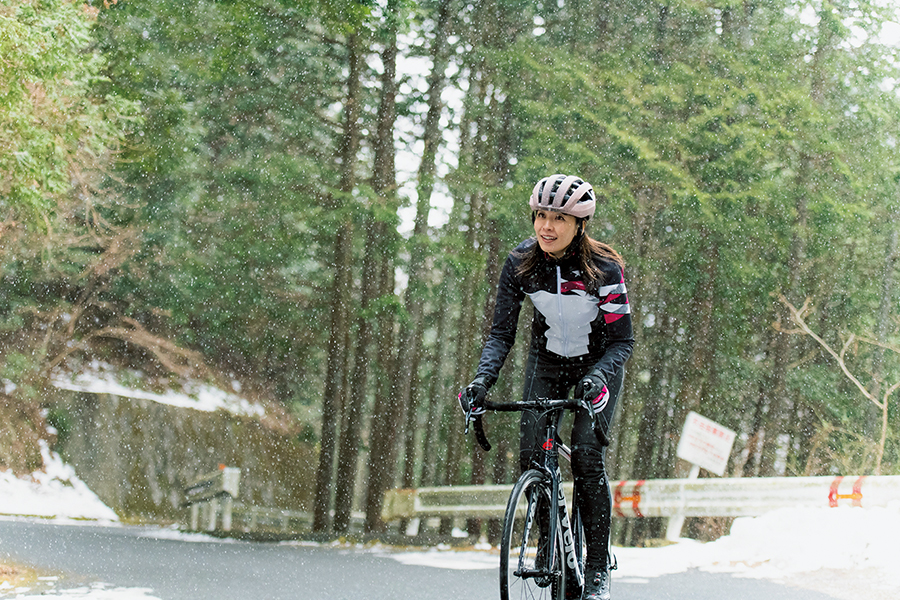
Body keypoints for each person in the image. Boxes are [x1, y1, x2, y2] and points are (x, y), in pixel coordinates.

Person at [459, 174, 634, 600]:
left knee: (587, 457)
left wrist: (598, 377)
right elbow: (501, 333)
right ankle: (545, 544)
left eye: (558, 218)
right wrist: (483, 380)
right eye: (540, 215)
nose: (546, 227)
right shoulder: (520, 262)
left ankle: (595, 569)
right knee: (531, 451)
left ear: (579, 225)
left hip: (598, 361)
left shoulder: (604, 268)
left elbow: (623, 341)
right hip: (548, 359)